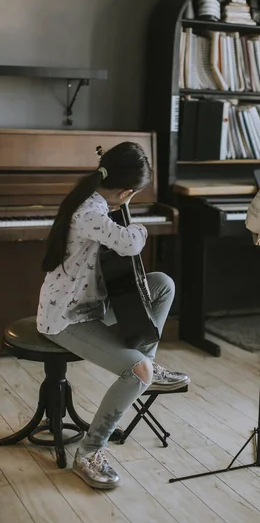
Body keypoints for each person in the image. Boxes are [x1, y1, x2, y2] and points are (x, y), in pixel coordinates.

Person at [36, 141, 190, 490]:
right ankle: (89, 452)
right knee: (137, 372)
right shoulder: (90, 211)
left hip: (93, 305)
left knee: (162, 285)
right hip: (66, 318)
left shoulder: (94, 196)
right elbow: (131, 243)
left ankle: (145, 365)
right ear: (126, 190)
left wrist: (122, 202)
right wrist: (139, 227)